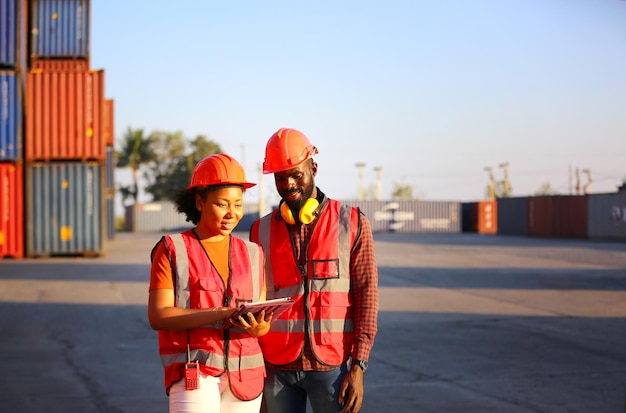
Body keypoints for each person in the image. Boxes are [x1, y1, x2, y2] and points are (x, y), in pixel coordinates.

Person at [249, 128, 379, 413]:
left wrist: (358, 367)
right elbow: (253, 302)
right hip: (276, 368)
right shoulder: (261, 230)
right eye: (280, 177)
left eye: (296, 174)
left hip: (331, 368)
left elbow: (366, 296)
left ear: (314, 168)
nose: (289, 184)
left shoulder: (352, 223)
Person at [148, 153, 272, 413]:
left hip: (246, 373)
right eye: (222, 204)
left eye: (238, 204)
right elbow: (159, 316)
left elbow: (260, 313)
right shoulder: (173, 249)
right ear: (200, 202)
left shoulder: (253, 253)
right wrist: (221, 313)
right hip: (196, 373)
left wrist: (260, 328)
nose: (232, 213)